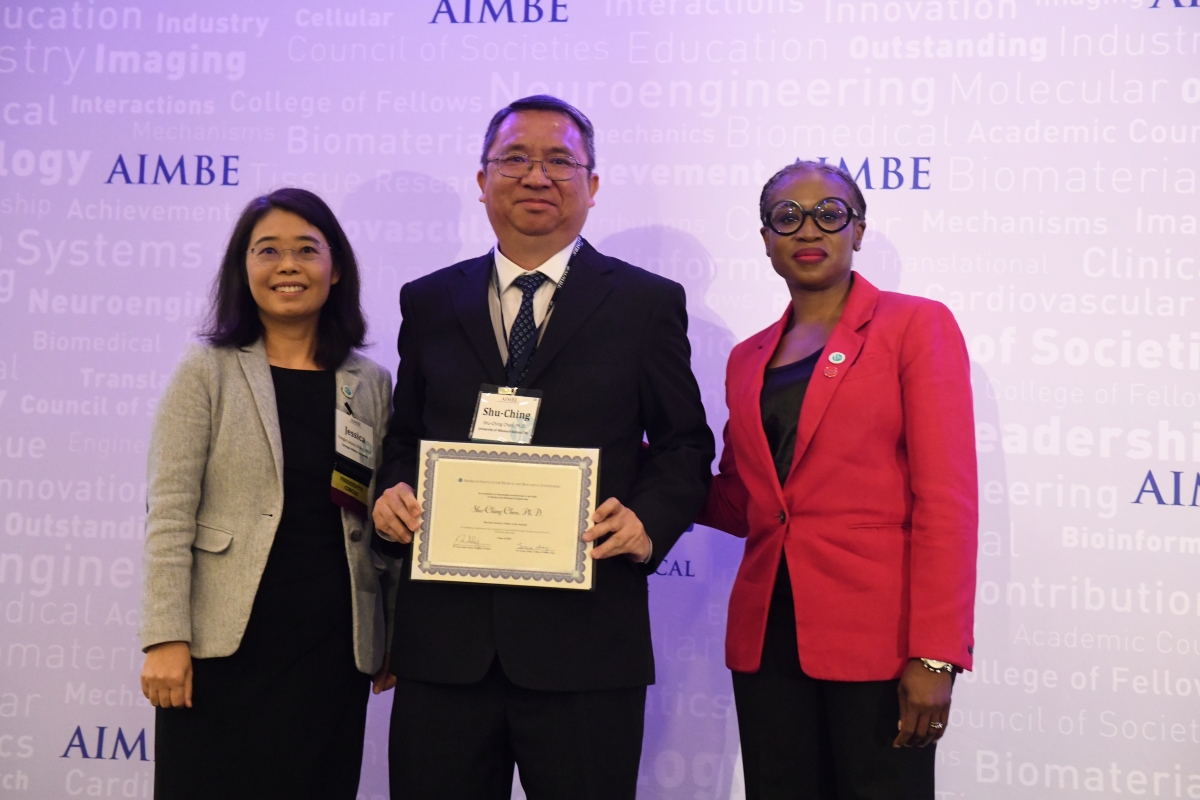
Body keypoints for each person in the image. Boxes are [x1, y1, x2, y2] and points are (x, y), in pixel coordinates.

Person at [372, 95, 714, 800]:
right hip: (446, 645)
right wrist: (392, 491)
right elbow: (404, 437)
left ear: (592, 185)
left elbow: (685, 446)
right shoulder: (430, 301)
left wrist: (648, 521)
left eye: (560, 160)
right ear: (481, 178)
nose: (537, 176)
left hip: (586, 643)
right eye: (515, 159)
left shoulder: (645, 304)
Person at [699, 161, 977, 799]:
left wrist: (935, 655)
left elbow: (947, 501)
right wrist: (636, 460)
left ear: (858, 229)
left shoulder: (915, 325)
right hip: (768, 640)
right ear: (766, 237)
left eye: (829, 212)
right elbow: (745, 504)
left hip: (878, 641)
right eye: (787, 217)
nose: (808, 228)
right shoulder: (747, 358)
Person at [138, 188, 397, 800]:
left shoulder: (369, 383)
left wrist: (392, 632)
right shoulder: (206, 370)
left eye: (307, 250)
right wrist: (165, 637)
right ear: (244, 270)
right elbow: (169, 515)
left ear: (335, 272)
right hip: (220, 649)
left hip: (332, 648)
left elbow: (379, 520)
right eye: (268, 251)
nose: (288, 265)